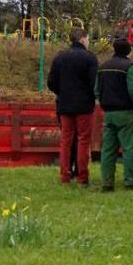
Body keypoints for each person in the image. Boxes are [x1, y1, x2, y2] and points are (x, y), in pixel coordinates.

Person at [48, 28, 99, 186]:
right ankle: (82, 177)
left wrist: (63, 92)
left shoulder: (59, 58)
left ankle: (65, 176)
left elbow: (51, 83)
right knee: (83, 140)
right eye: (88, 39)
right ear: (83, 39)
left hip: (64, 104)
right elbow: (94, 84)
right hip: (84, 106)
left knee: (66, 141)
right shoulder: (90, 58)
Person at [96, 38, 133, 191]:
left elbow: (97, 90)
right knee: (129, 149)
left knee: (108, 150)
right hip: (127, 113)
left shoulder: (103, 67)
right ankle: (130, 182)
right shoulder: (130, 67)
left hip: (109, 112)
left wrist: (103, 103)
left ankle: (107, 183)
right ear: (129, 51)